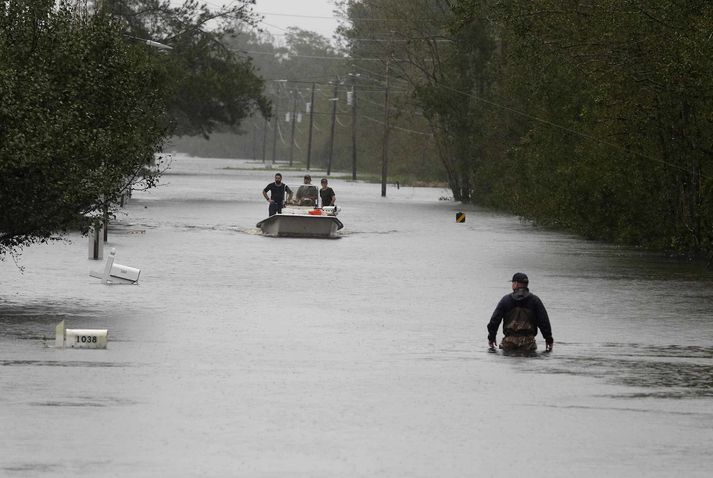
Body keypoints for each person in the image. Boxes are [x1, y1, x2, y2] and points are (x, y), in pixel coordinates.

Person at [487, 272, 554, 353]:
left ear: (516, 284)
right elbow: (544, 321)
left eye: (512, 283)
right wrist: (548, 338)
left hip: (509, 343)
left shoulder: (506, 300)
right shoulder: (535, 300)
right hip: (528, 343)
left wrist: (491, 337)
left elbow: (494, 320)